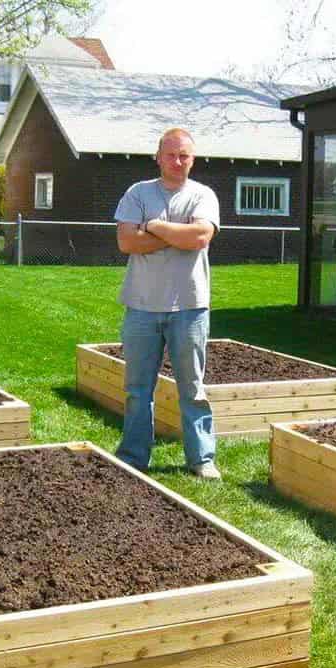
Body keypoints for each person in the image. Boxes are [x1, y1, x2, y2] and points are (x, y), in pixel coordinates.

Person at [113, 127, 221, 479]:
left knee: (192, 388)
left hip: (189, 307)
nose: (177, 161)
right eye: (171, 155)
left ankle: (202, 459)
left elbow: (201, 236)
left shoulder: (203, 195)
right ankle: (133, 456)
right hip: (142, 307)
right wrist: (178, 235)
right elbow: (127, 242)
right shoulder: (137, 193)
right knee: (137, 388)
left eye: (184, 155)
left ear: (193, 159)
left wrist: (156, 226)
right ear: (158, 157)